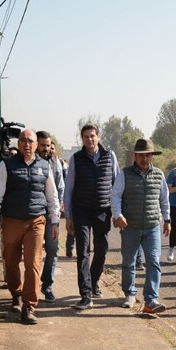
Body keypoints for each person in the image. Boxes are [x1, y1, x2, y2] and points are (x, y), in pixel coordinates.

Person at [0, 129, 60, 324]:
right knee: (10, 261)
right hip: (11, 220)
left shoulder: (45, 166)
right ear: (18, 144)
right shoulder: (7, 165)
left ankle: (29, 306)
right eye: (22, 141)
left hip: (36, 221)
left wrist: (54, 222)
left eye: (30, 141)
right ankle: (16, 295)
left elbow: (52, 197)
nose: (26, 144)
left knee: (33, 262)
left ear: (36, 145)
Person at [63, 124, 121, 310]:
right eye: (86, 137)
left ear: (99, 136)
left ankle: (94, 280)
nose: (90, 139)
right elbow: (69, 188)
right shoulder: (76, 159)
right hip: (81, 210)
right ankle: (85, 294)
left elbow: (116, 184)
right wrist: (69, 215)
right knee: (83, 251)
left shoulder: (109, 156)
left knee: (102, 249)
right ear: (82, 138)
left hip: (103, 210)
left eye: (93, 136)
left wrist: (117, 211)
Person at [111, 139, 171, 313]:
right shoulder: (125, 174)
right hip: (130, 226)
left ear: (152, 156)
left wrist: (167, 220)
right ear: (135, 156)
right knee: (129, 263)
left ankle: (151, 300)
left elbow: (164, 200)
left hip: (152, 227)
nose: (144, 159)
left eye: (148, 155)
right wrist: (118, 215)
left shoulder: (159, 175)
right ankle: (129, 293)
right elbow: (115, 196)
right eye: (141, 156)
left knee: (153, 261)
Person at [36, 131, 64, 302]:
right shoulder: (30, 163)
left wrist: (59, 206)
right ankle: (29, 286)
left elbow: (60, 186)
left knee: (53, 250)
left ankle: (47, 285)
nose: (46, 149)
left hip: (51, 214)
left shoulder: (56, 163)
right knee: (35, 252)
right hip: (34, 213)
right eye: (42, 145)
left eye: (48, 145)